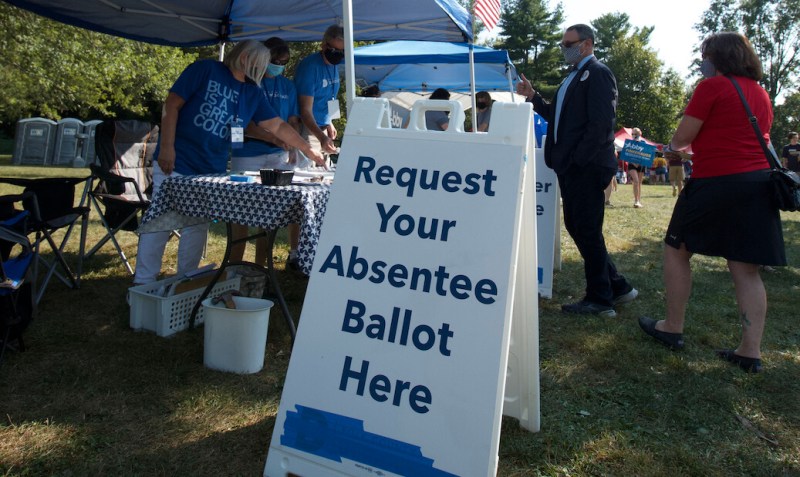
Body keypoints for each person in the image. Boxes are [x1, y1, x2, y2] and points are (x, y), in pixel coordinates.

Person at [638, 32, 786, 373]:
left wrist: (678, 145)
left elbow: (682, 138)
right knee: (745, 267)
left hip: (716, 181)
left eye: (705, 54)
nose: (702, 61)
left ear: (716, 57)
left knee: (677, 249)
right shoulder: (761, 93)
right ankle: (750, 351)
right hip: (757, 184)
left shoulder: (712, 87)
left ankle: (671, 327)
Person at [133, 40, 325, 285]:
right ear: (244, 58)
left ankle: (185, 280)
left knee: (197, 225)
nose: (265, 71)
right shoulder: (205, 69)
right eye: (261, 65)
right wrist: (167, 147)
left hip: (210, 167)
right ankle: (143, 282)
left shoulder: (252, 91)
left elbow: (277, 125)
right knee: (160, 222)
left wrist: (307, 149)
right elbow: (172, 104)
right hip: (178, 160)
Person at [517, 23, 637, 317]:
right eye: (562, 43)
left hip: (586, 166)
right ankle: (618, 287)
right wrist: (533, 97)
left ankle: (600, 299)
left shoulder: (597, 73)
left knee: (586, 229)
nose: (564, 48)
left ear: (587, 44)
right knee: (581, 227)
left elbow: (600, 123)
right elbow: (556, 117)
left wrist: (577, 160)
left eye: (568, 43)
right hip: (571, 165)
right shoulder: (571, 78)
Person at [229, 37, 303, 269]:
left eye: (284, 62)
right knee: (239, 214)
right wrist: (273, 137)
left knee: (267, 216)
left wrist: (295, 147)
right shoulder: (248, 82)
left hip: (277, 155)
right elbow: (243, 124)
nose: (279, 65)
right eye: (275, 60)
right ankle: (234, 267)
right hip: (247, 152)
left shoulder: (288, 86)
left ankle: (261, 268)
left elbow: (291, 120)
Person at [295, 24, 345, 166]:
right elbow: (305, 111)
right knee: (307, 174)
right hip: (308, 129)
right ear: (324, 45)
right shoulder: (310, 67)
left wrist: (330, 121)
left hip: (323, 129)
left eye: (343, 51)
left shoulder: (334, 65)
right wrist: (321, 137)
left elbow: (331, 95)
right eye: (335, 50)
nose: (338, 54)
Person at [627, 127, 646, 207]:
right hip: (632, 164)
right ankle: (636, 200)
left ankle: (638, 200)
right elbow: (626, 155)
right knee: (636, 181)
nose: (634, 135)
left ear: (640, 134)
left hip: (641, 165)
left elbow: (647, 154)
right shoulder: (629, 143)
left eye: (636, 134)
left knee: (639, 183)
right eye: (633, 134)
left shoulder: (643, 142)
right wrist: (633, 162)